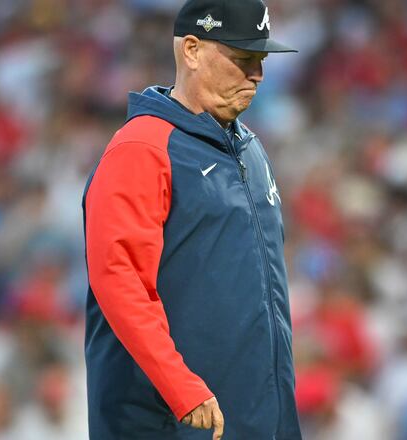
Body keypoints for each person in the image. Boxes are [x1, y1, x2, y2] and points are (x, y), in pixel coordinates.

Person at [81, 0, 300, 438]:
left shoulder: (250, 148)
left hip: (252, 415)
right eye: (243, 58)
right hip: (169, 419)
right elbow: (119, 280)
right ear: (193, 50)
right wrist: (180, 386)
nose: (257, 74)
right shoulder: (143, 148)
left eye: (260, 59)